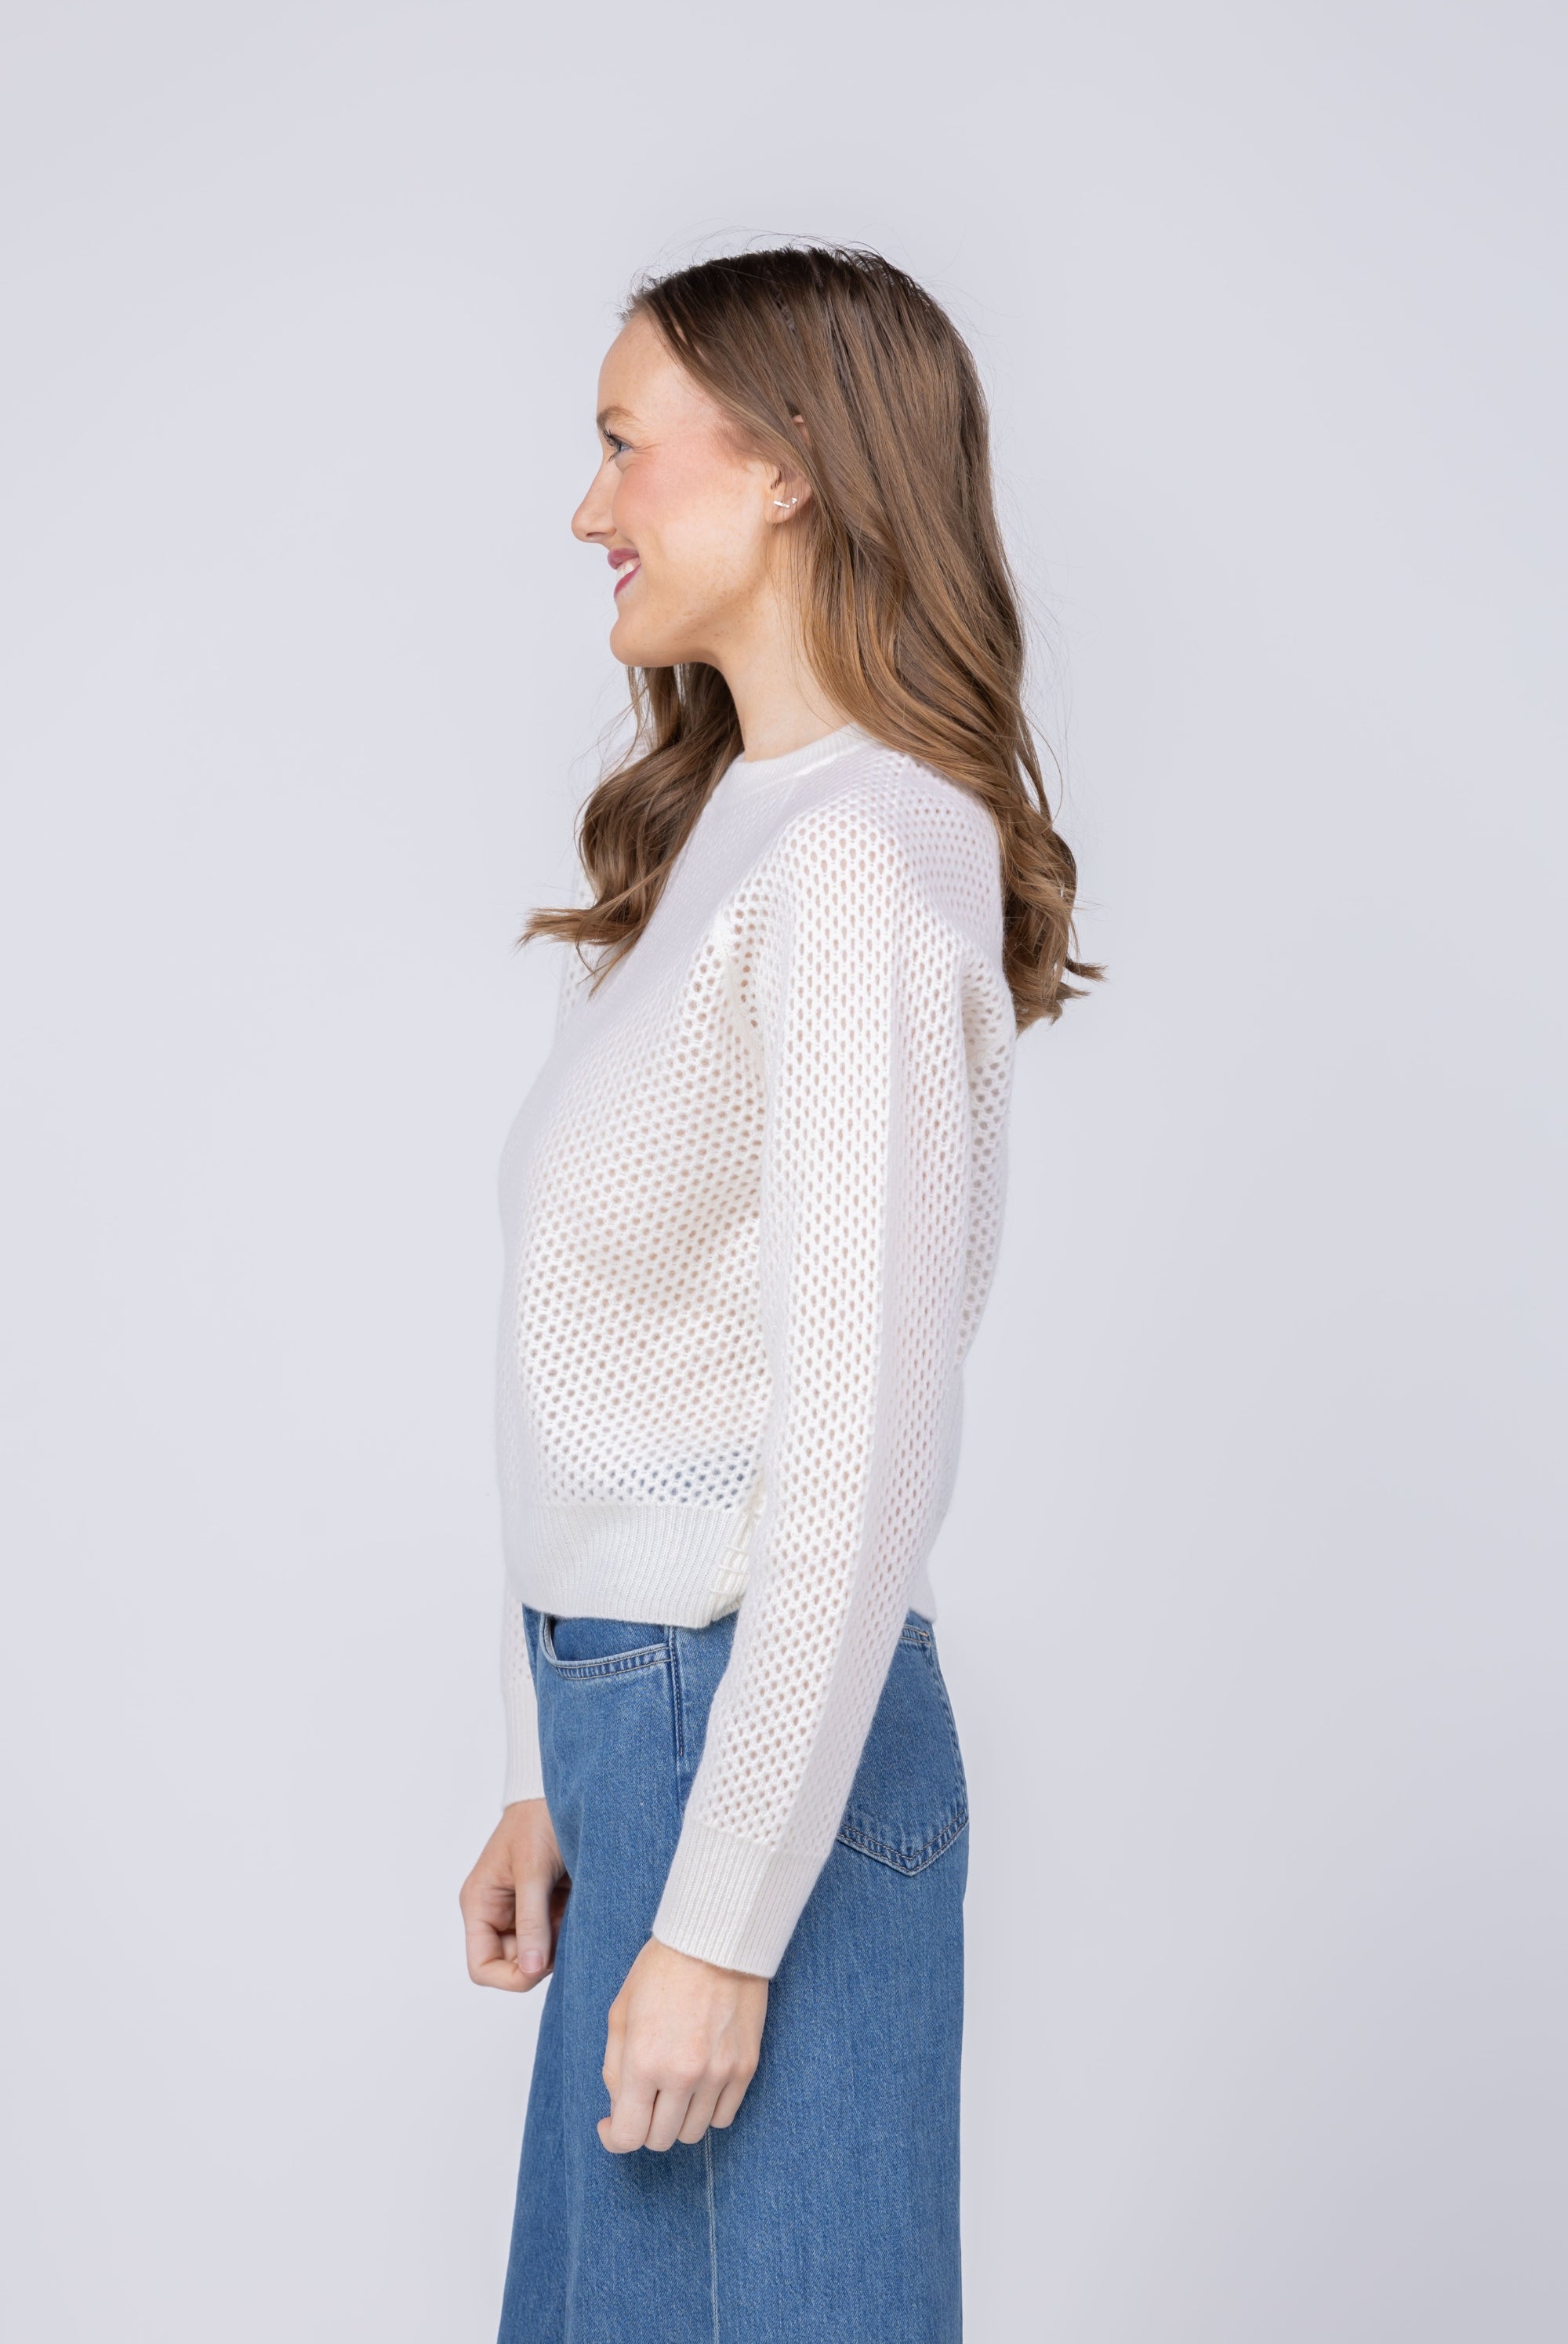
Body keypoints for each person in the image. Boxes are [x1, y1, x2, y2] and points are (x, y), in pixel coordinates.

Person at [459, 242, 1097, 2343]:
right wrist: (557, 1763)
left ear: (792, 467)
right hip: (649, 1742)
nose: (591, 507)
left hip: (744, 1762)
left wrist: (724, 1912)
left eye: (623, 445)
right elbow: (634, 1375)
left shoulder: (863, 852)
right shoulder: (738, 832)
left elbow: (863, 1432)